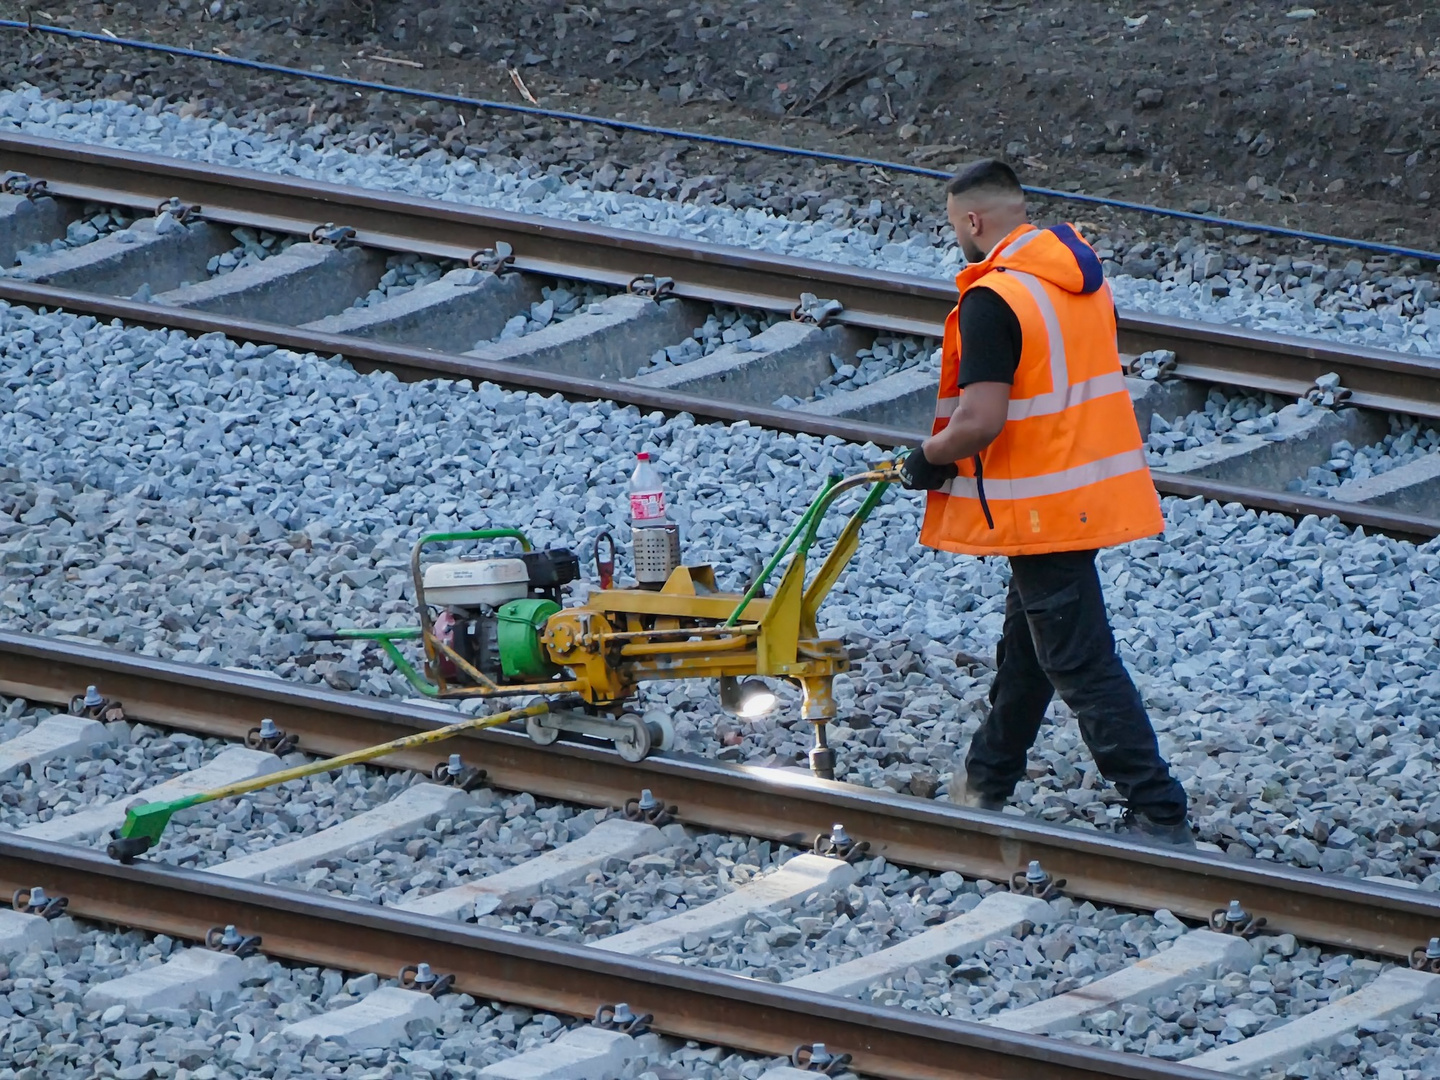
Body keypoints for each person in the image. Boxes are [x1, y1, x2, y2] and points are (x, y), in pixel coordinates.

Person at [897, 158, 1193, 847]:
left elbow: (979, 420)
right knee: (1031, 646)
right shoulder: (1077, 280)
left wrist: (926, 458)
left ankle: (1158, 808)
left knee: (1078, 658)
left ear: (973, 221)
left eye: (955, 228)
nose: (957, 242)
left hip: (1040, 504)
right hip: (1082, 489)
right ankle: (986, 781)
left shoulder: (994, 298)